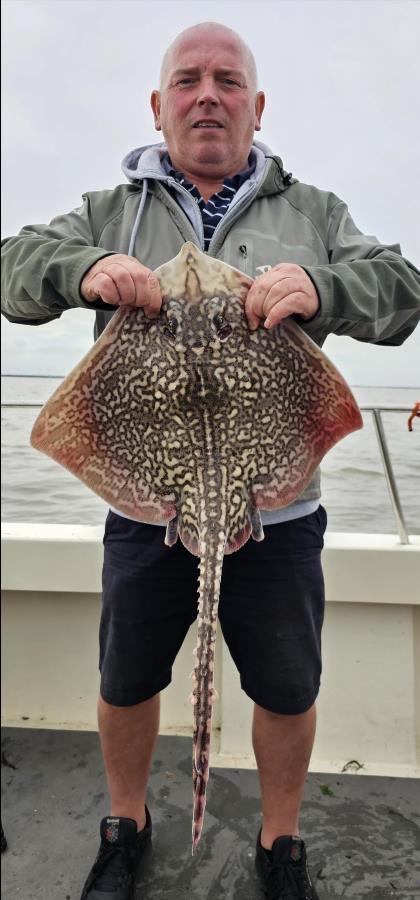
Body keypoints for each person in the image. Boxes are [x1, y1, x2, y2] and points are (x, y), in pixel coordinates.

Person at [2, 20, 420, 900]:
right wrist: (83, 270)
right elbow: (11, 265)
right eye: (187, 80)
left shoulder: (314, 215)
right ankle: (127, 824)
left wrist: (325, 287)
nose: (207, 95)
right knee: (127, 676)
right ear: (158, 106)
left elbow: (403, 290)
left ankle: (279, 842)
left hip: (282, 509)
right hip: (146, 506)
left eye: (228, 81)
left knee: (286, 682)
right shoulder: (111, 210)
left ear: (255, 106)